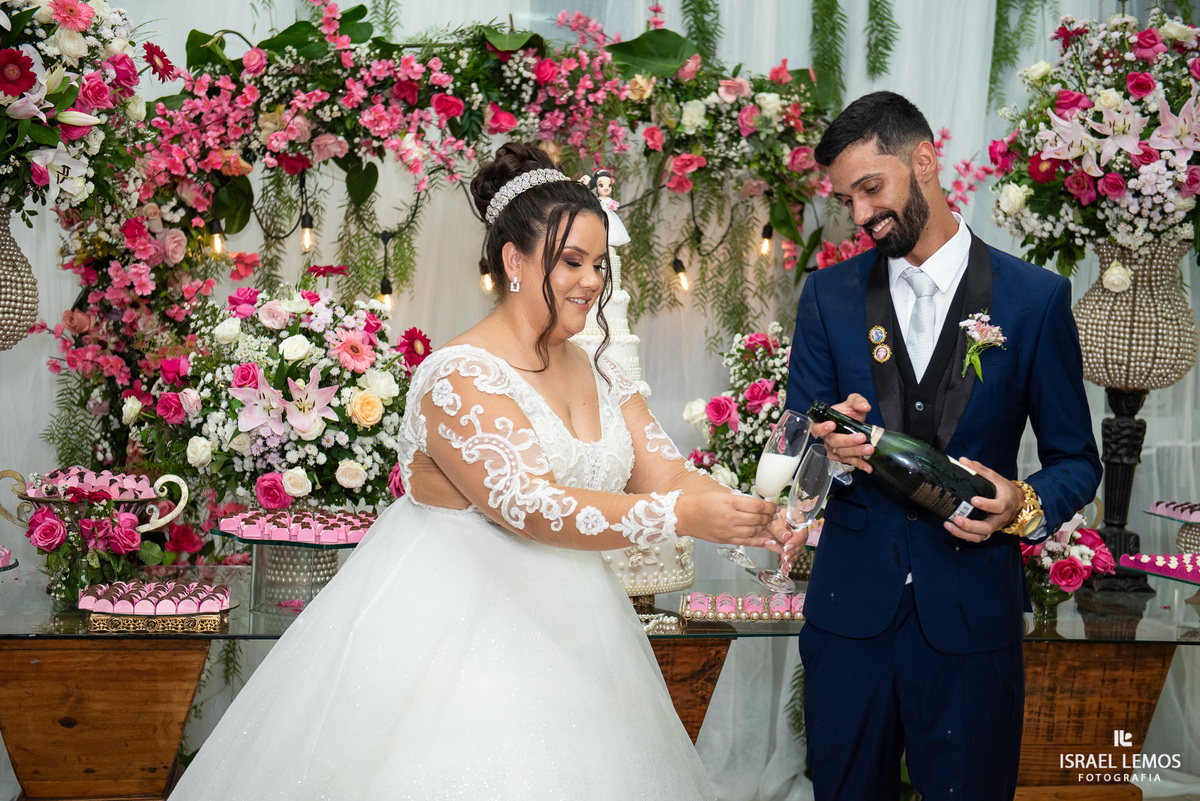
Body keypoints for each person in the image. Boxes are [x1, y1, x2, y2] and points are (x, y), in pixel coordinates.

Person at [168, 142, 779, 801]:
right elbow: (528, 504)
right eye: (571, 261)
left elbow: (668, 474)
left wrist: (748, 512)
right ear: (514, 260)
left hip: (578, 628)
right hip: (453, 643)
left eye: (599, 264)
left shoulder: (603, 367)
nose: (591, 280)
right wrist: (682, 517)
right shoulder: (460, 375)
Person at [782, 92, 1101, 801]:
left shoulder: (1034, 298)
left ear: (925, 161)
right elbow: (795, 447)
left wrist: (1022, 503)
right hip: (848, 621)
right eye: (847, 199)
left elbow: (1077, 458)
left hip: (971, 618)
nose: (861, 216)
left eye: (872, 188)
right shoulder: (826, 297)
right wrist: (826, 449)